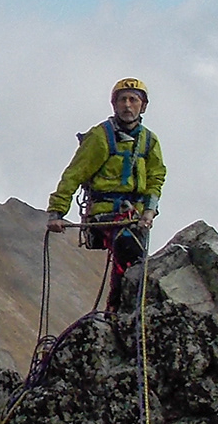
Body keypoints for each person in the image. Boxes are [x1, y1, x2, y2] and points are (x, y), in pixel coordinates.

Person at [47, 78, 165, 310]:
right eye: (123, 100)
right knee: (129, 250)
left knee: (135, 262)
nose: (127, 105)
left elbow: (156, 177)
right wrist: (56, 212)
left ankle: (120, 311)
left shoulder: (149, 141)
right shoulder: (100, 136)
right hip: (104, 215)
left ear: (143, 106)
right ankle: (118, 312)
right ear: (114, 105)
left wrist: (149, 210)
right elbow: (74, 174)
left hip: (135, 217)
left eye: (133, 100)